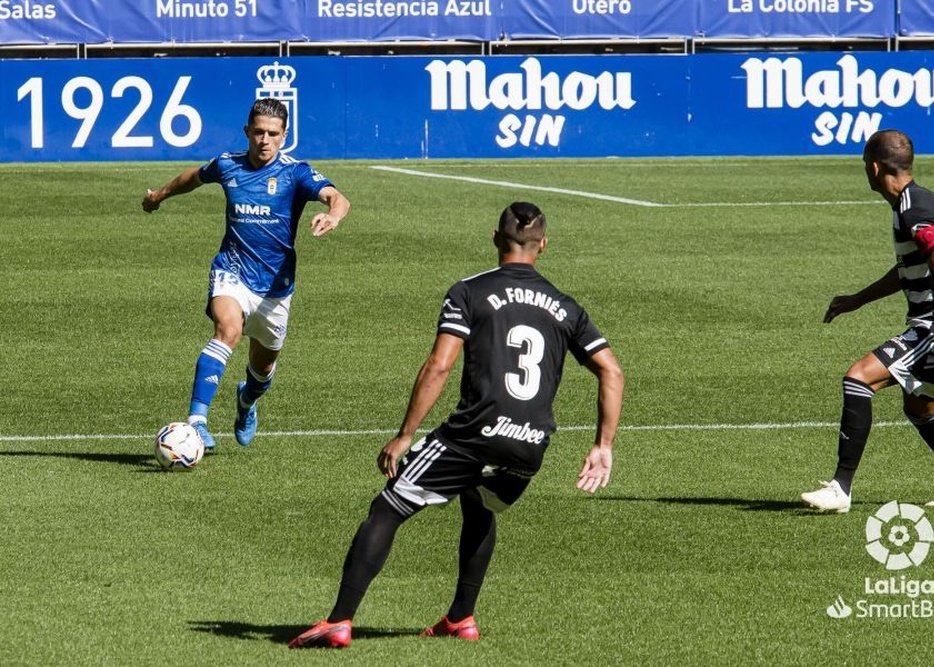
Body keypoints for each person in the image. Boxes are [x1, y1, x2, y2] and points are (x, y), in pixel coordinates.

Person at [289, 202, 624, 649]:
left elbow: (439, 366)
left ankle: (339, 620)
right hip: (530, 445)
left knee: (388, 507)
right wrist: (603, 445)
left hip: (474, 434)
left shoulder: (470, 291)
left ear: (494, 238)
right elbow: (612, 372)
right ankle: (461, 618)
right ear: (544, 245)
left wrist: (406, 434)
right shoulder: (566, 307)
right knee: (480, 504)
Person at [802, 129, 934, 514]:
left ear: (874, 167)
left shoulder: (914, 209)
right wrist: (858, 299)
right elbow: (911, 266)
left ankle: (840, 488)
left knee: (858, 378)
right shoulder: (911, 202)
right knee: (920, 410)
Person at [142, 98, 350, 451]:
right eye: (258, 132)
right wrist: (159, 195)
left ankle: (246, 402)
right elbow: (193, 177)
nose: (264, 140)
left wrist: (333, 215)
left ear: (284, 135)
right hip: (231, 270)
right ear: (247, 132)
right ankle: (196, 421)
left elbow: (338, 197)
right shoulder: (228, 165)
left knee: (262, 371)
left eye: (272, 133)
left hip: (276, 287)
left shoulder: (295, 173)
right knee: (228, 330)